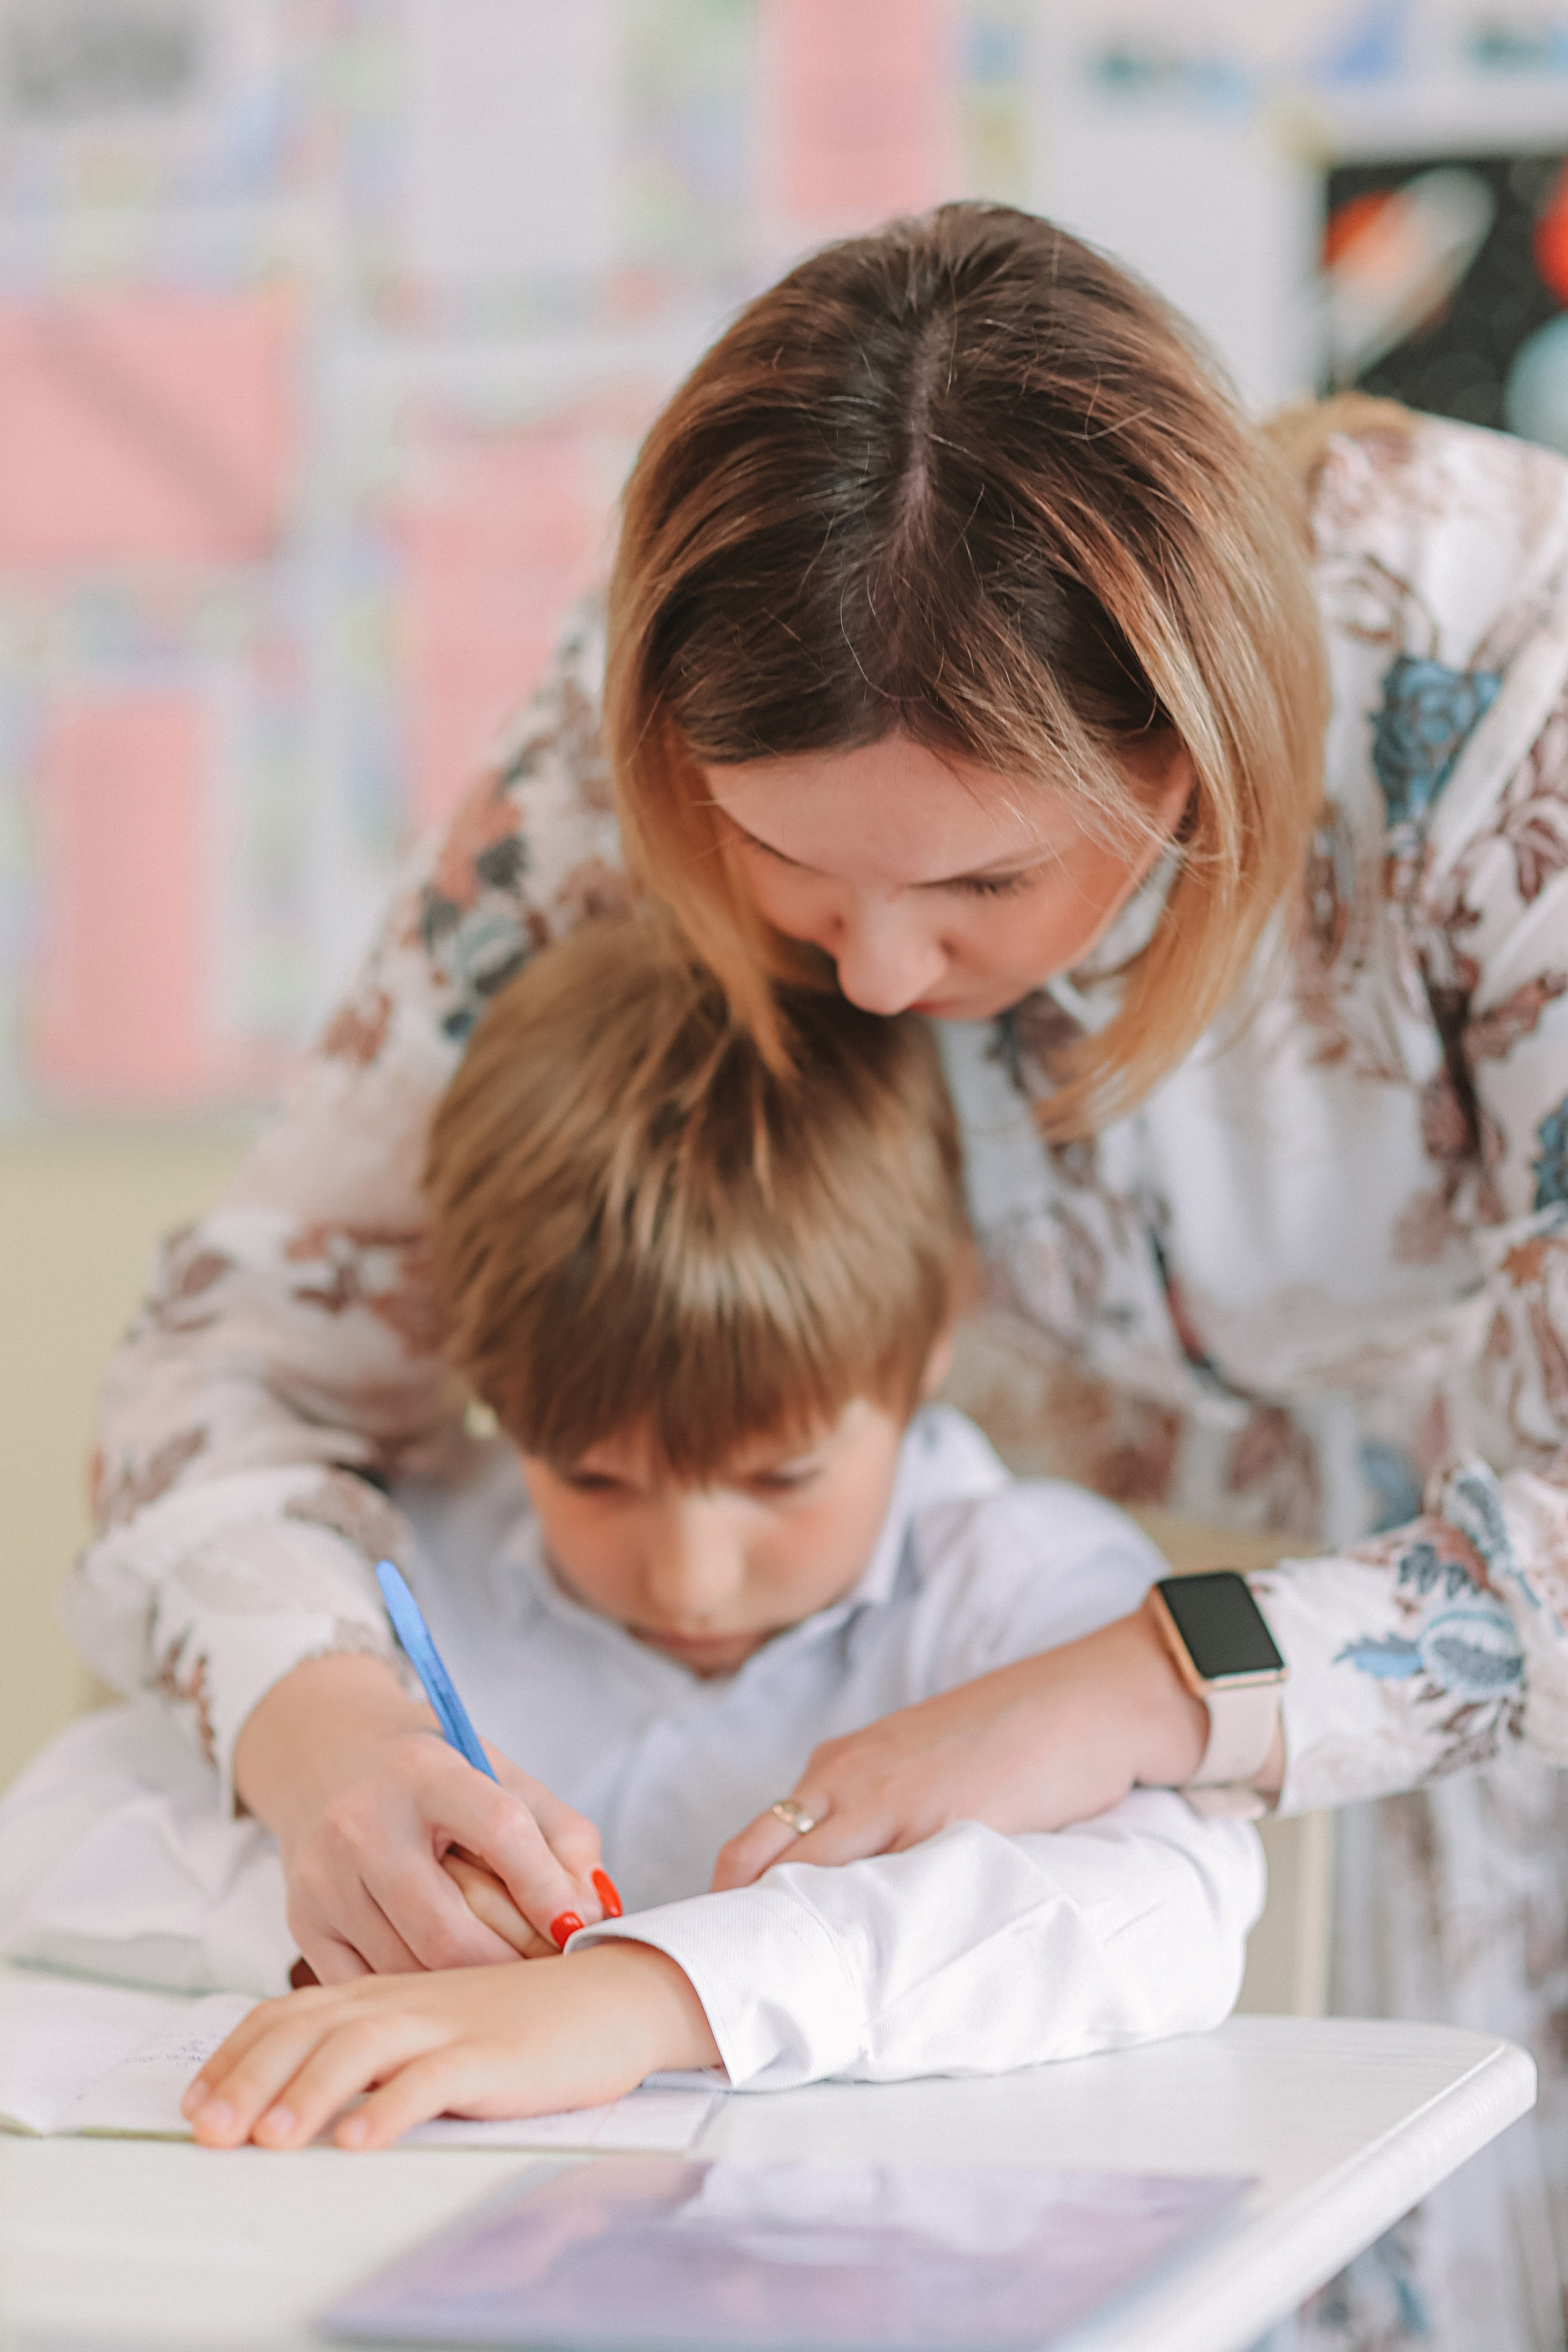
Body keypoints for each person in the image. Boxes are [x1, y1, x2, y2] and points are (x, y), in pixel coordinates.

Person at [58, 203, 1568, 2335]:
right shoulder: (637, 729)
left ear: (1194, 761)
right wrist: (320, 1731)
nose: (871, 969)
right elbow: (232, 1362)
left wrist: (1148, 1684)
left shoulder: (1516, 698)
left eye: (980, 881)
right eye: (780, 860)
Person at [2, 918, 1261, 2151]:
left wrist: (642, 1997)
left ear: (935, 1326)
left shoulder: (1030, 1596)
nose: (690, 1575)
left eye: (780, 1477)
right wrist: (381, 1924)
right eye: (593, 1479)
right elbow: (50, 1844)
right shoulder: (382, 1584)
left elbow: (1170, 1910)